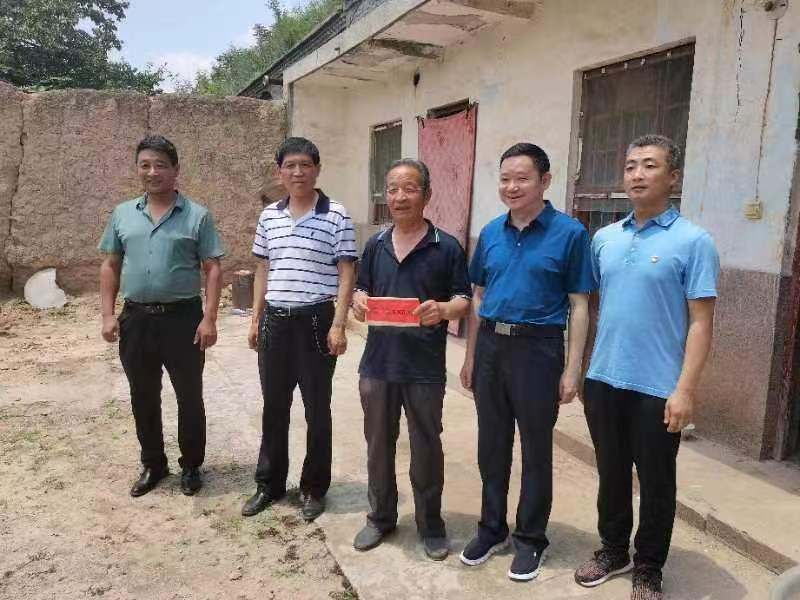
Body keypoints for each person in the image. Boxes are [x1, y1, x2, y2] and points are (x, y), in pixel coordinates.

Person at [574, 134, 718, 600]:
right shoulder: (605, 238)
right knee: (611, 473)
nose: (637, 174)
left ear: (673, 177)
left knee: (656, 482)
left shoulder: (693, 241)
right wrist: (579, 368)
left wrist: (685, 389)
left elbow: (701, 322)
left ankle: (649, 566)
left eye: (650, 165)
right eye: (631, 165)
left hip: (658, 387)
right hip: (604, 379)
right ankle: (613, 550)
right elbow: (590, 306)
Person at [459, 143, 595, 581]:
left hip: (539, 351)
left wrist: (572, 368)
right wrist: (471, 355)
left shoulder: (569, 234)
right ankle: (491, 529)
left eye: (522, 178)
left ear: (545, 181)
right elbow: (478, 296)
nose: (512, 187)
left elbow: (579, 304)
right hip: (491, 348)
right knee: (491, 445)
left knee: (536, 449)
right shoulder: (491, 233)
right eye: (505, 179)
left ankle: (531, 538)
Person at [350, 159, 471, 560]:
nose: (400, 197)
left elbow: (463, 300)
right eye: (393, 189)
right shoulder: (376, 245)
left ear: (427, 194)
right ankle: (380, 518)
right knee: (377, 445)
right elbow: (361, 289)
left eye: (409, 188)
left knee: (426, 447)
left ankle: (431, 525)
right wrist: (358, 301)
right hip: (378, 365)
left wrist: (444, 309)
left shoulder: (446, 246)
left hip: (424, 368)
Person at [98, 134, 224, 497]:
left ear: (175, 170)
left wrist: (210, 318)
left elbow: (212, 268)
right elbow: (110, 265)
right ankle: (153, 464)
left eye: (160, 165)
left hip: (183, 320)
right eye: (145, 165)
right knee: (143, 395)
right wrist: (107, 315)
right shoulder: (123, 214)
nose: (152, 172)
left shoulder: (197, 215)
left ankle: (192, 465)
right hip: (136, 319)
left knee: (189, 394)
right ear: (138, 169)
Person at [242, 137, 357, 522]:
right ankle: (269, 484)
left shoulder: (336, 215)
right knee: (274, 407)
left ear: (317, 170)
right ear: (280, 172)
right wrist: (256, 319)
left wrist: (339, 324)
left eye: (305, 165)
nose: (297, 172)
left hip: (316, 322)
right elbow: (263, 268)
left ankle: (314, 488)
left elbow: (346, 273)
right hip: (275, 321)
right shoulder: (269, 216)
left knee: (317, 408)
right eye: (290, 166)